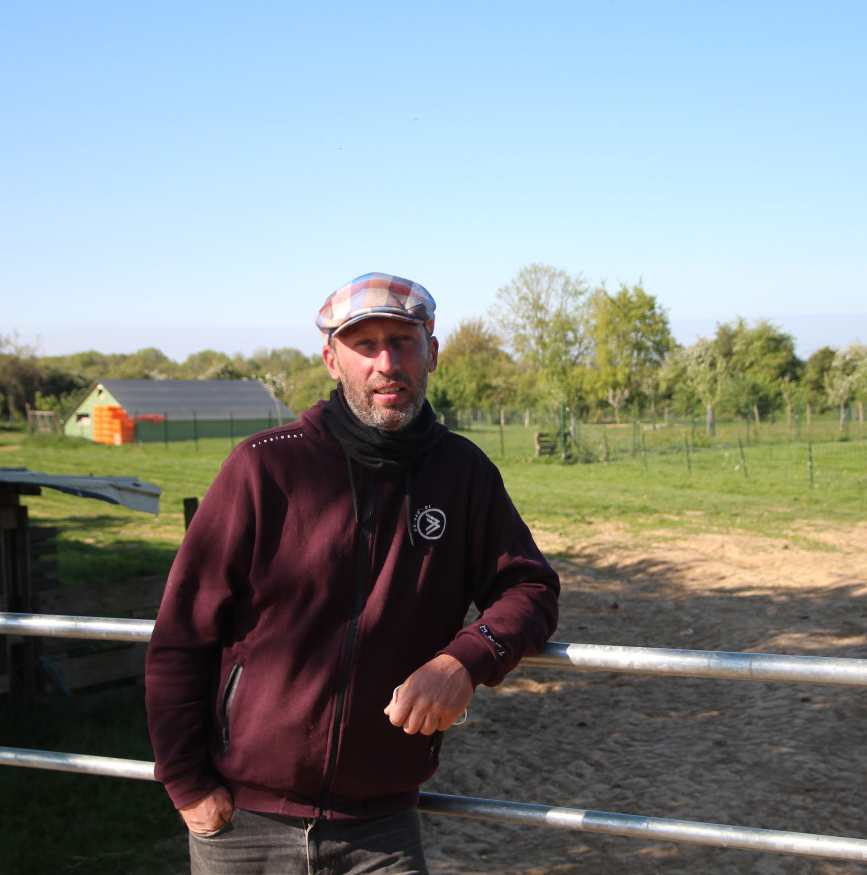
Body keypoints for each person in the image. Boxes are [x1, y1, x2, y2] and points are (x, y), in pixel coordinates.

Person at [145, 272, 560, 875]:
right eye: (364, 345)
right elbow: (184, 633)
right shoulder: (265, 468)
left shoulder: (463, 474)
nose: (386, 362)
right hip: (242, 824)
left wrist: (466, 661)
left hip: (381, 830)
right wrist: (187, 786)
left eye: (404, 341)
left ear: (433, 352)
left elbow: (530, 587)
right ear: (332, 360)